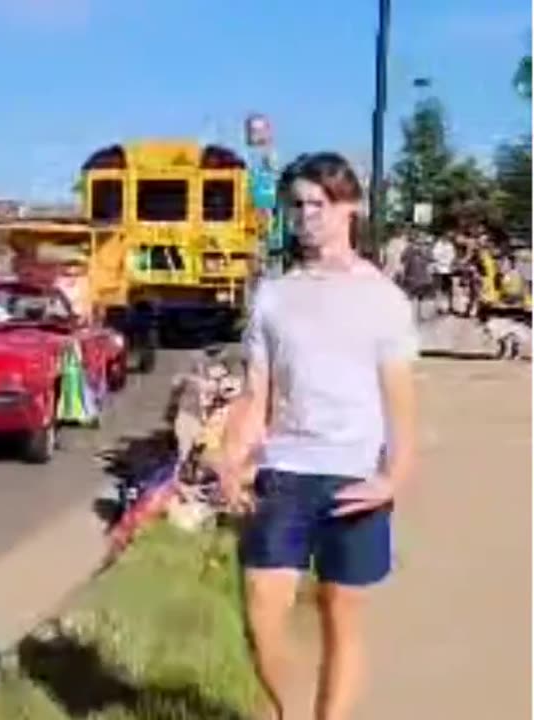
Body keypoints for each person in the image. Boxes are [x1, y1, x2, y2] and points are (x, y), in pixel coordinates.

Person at [213, 152, 418, 720]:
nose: (306, 216)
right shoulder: (274, 297)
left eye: (318, 204)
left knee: (339, 613)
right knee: (263, 612)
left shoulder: (383, 300)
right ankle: (290, 711)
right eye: (297, 205)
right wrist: (232, 457)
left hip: (355, 475)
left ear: (349, 208)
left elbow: (400, 406)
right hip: (285, 471)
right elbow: (258, 391)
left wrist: (392, 478)